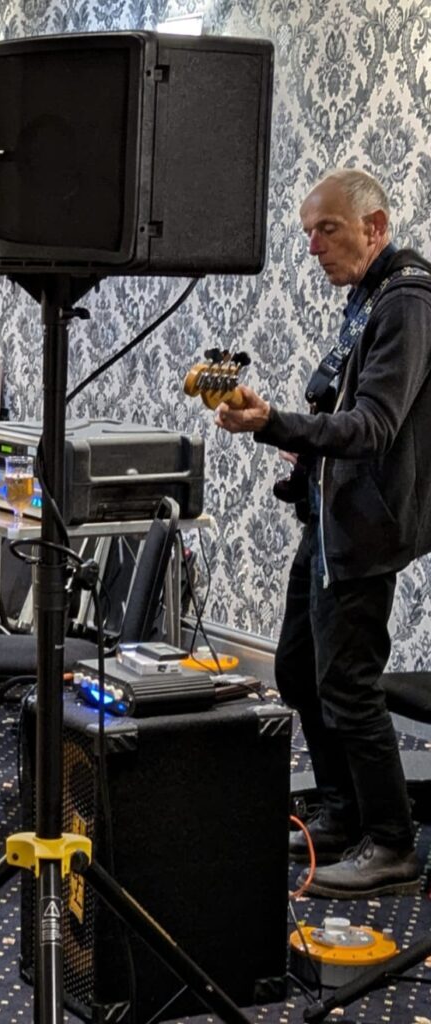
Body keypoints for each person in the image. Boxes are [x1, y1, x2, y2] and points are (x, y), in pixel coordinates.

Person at [214, 168, 431, 898]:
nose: (313, 248)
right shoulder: (369, 298)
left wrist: (276, 422)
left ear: (376, 226)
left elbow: (374, 428)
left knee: (347, 683)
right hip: (330, 516)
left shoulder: (407, 301)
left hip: (364, 531)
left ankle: (392, 843)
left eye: (327, 230)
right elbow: (344, 416)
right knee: (298, 669)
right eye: (308, 233)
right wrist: (304, 444)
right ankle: (341, 812)